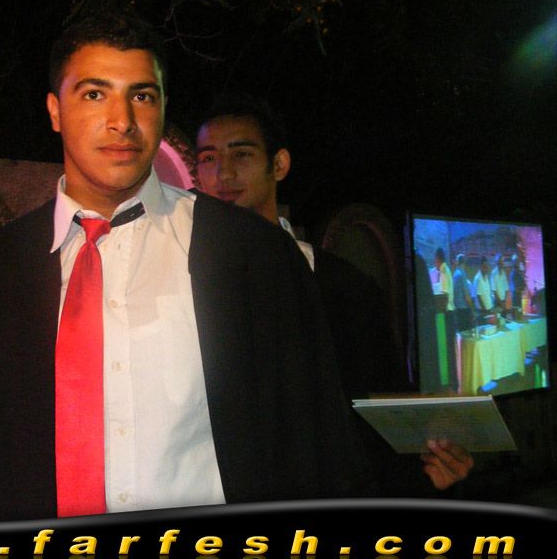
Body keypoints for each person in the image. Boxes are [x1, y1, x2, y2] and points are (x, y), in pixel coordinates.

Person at [0, 12, 375, 522]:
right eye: (95, 94)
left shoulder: (252, 256)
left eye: (142, 96)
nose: (122, 119)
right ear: (54, 111)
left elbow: (320, 449)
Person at [194, 92, 474, 493]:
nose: (223, 173)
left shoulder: (345, 289)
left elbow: (382, 412)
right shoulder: (182, 285)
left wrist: (433, 465)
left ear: (279, 164)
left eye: (241, 155)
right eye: (208, 158)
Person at [434, 247, 458, 391]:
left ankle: (453, 383)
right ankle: (453, 382)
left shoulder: (443, 272)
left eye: (434, 260)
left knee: (449, 350)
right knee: (450, 349)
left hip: (448, 314)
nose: (434, 263)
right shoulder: (446, 270)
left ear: (438, 259)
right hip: (451, 313)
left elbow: (444, 297)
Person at [452, 253, 475, 333]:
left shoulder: (455, 274)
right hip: (464, 310)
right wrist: (472, 310)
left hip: (457, 309)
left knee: (461, 333)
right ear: (464, 262)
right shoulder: (462, 273)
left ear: (457, 262)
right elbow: (467, 296)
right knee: (467, 333)